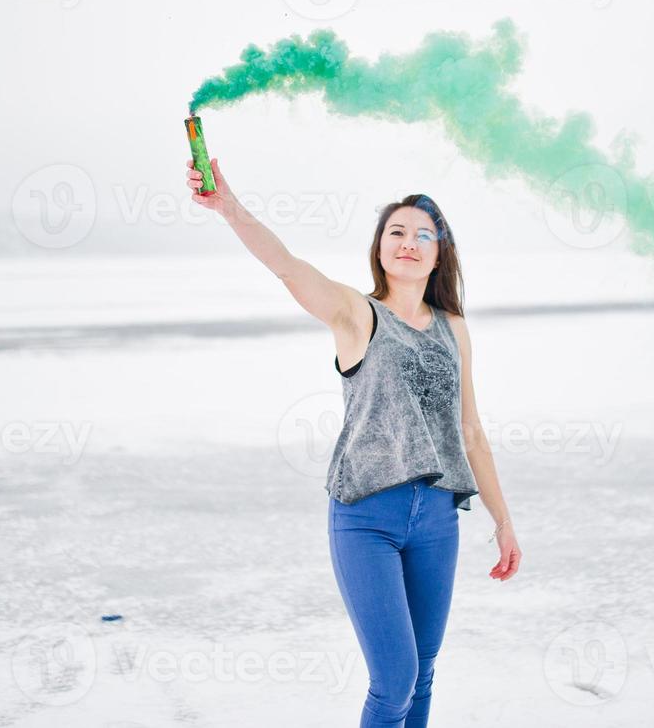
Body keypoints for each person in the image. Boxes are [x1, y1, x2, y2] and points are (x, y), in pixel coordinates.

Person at [186, 155, 521, 727]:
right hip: (366, 516)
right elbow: (287, 267)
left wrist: (503, 520)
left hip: (439, 518)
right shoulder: (355, 313)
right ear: (380, 248)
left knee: (424, 674)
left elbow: (470, 431)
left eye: (423, 235)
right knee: (394, 682)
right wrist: (228, 207)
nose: (408, 242)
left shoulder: (453, 327)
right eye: (396, 232)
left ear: (440, 254)